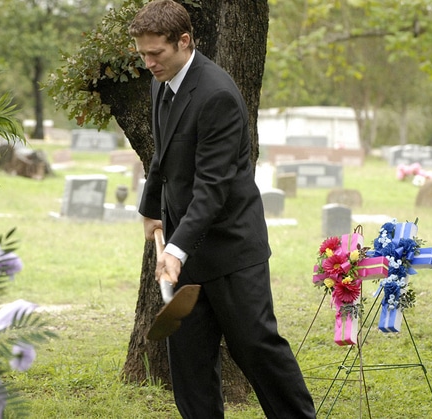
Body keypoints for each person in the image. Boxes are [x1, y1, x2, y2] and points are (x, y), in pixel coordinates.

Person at [128, 1, 316, 418]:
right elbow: (163, 155)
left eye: (155, 53)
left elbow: (212, 187)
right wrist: (153, 208)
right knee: (190, 365)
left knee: (257, 350)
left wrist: (174, 251)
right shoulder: (162, 81)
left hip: (231, 251)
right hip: (186, 245)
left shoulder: (217, 95)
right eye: (142, 54)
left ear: (184, 40)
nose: (148, 63)